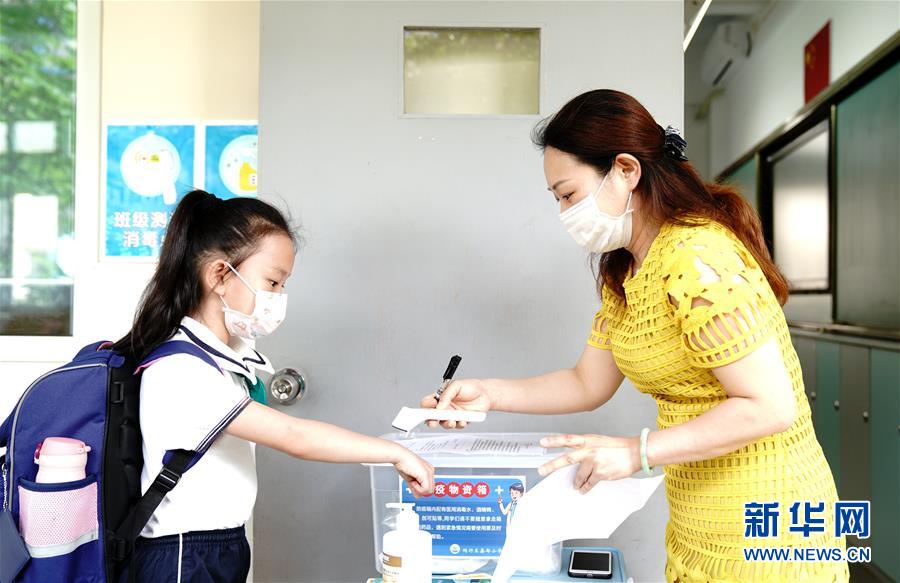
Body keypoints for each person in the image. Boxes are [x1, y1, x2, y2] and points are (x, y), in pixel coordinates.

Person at [421, 90, 848, 582]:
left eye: (568, 195)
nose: (564, 213)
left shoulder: (696, 258)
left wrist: (634, 452)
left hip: (771, 526)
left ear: (626, 170)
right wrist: (488, 395)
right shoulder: (627, 271)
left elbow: (769, 406)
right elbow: (587, 382)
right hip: (697, 524)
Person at [113, 189, 433, 582]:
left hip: (219, 544)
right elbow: (295, 436)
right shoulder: (182, 369)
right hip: (184, 554)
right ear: (219, 275)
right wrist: (395, 453)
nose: (278, 297)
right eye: (272, 281)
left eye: (282, 285)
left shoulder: (224, 359)